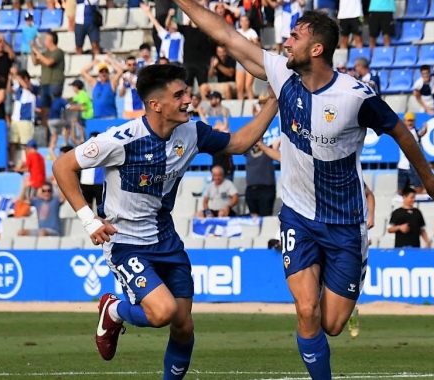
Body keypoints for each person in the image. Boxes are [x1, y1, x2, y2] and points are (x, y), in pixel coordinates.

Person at [171, 4, 434, 378]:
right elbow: (227, 35)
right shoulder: (283, 77)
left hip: (345, 224)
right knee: (306, 310)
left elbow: (400, 130)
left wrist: (428, 180)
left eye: (295, 37)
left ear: (316, 49)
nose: (286, 43)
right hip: (298, 216)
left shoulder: (355, 96)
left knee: (331, 324)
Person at [50, 64, 280, 377]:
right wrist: (90, 220)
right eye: (179, 94)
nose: (189, 99)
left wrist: (275, 101)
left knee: (183, 326)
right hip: (126, 243)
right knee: (163, 313)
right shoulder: (121, 140)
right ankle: (114, 310)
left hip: (166, 239)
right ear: (156, 105)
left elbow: (238, 144)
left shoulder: (192, 132)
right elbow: (63, 166)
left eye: (186, 91)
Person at [246, 138, 278, 217]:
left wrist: (262, 146)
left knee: (265, 217)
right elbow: (236, 142)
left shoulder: (269, 150)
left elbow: (278, 142)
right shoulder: (248, 152)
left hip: (266, 189)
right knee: (253, 217)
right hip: (251, 189)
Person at [397, 111, 426, 195]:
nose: (410, 122)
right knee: (401, 189)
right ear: (405, 121)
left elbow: (422, 133)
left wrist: (426, 129)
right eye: (408, 120)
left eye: (411, 120)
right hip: (402, 165)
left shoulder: (416, 131)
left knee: (418, 187)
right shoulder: (401, 131)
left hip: (413, 165)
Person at [79, 132, 104, 209]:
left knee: (100, 206)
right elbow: (75, 140)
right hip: (86, 182)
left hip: (99, 182)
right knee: (88, 206)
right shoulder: (83, 149)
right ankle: (90, 221)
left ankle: (101, 221)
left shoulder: (103, 150)